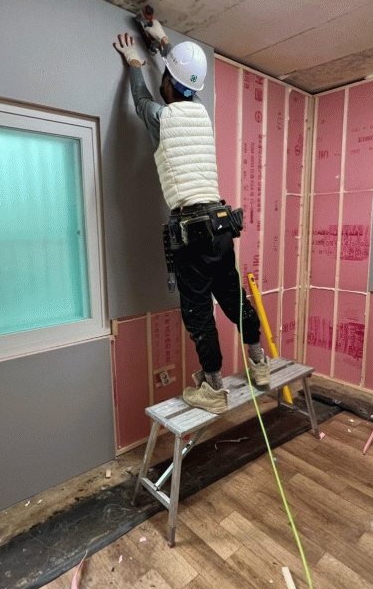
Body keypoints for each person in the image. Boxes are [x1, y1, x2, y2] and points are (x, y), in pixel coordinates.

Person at [113, 23, 270, 414]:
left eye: (165, 79)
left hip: (191, 230)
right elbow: (187, 84)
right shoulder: (202, 114)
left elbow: (140, 99)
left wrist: (135, 62)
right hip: (220, 224)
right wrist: (164, 42)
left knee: (198, 310)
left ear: (168, 84)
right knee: (233, 297)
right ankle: (259, 363)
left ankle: (213, 388)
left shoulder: (159, 117)